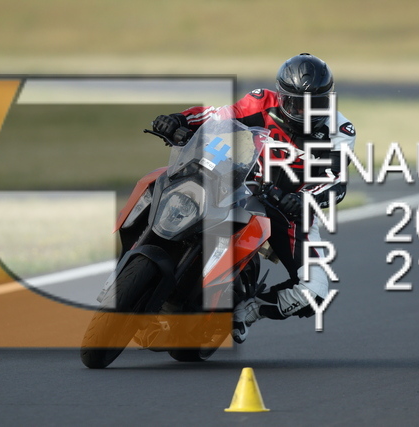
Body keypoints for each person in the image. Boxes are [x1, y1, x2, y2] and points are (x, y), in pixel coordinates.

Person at [151, 53, 356, 343]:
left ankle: (248, 311)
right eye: (297, 103)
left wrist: (304, 201)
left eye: (317, 103)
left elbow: (335, 182)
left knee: (315, 292)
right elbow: (217, 116)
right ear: (281, 96)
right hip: (246, 183)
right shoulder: (262, 101)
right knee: (170, 184)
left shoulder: (341, 130)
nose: (306, 111)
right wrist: (179, 119)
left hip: (292, 209)